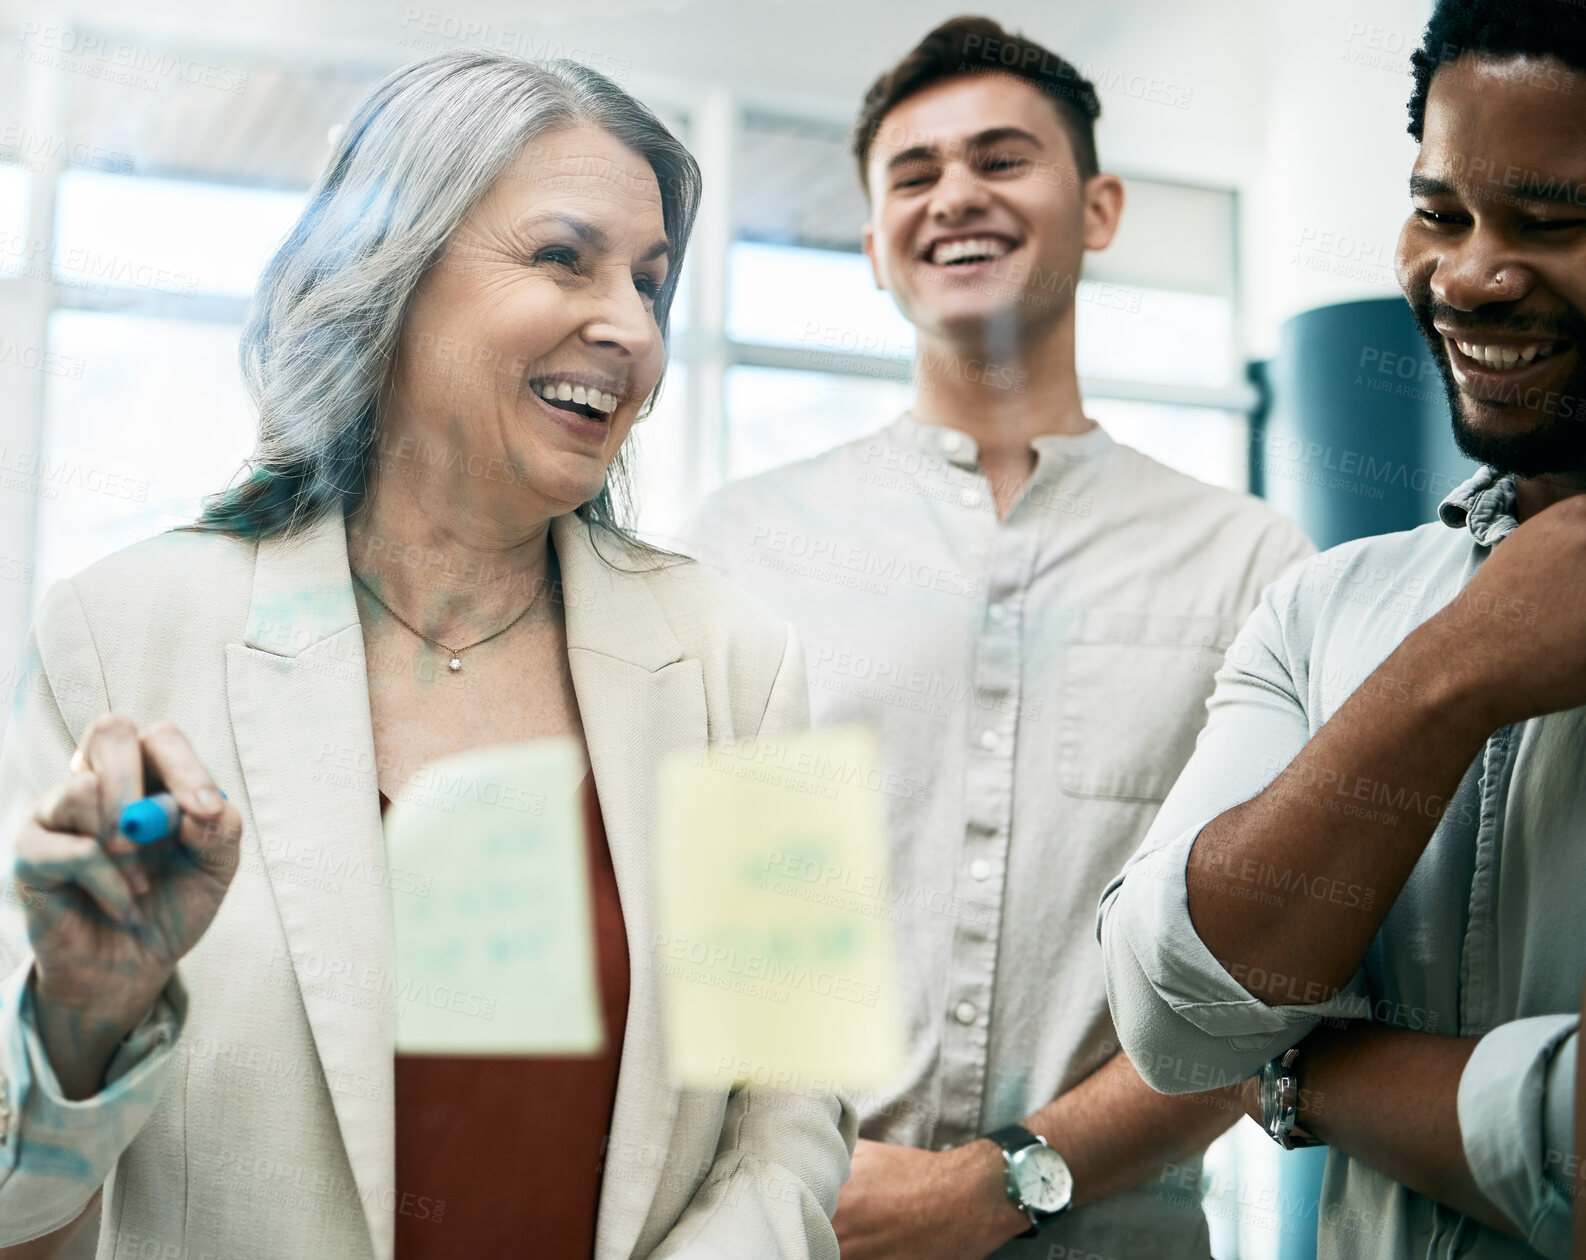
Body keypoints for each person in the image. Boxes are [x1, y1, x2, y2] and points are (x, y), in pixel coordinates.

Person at [0, 51, 854, 1260]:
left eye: (650, 283)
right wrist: (82, 1022)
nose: (629, 326)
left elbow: (794, 1117)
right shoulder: (120, 634)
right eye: (563, 257)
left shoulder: (740, 665)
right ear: (386, 277)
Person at [685, 17, 1313, 1259]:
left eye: (1000, 159)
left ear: (1100, 207)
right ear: (872, 242)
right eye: (911, 175)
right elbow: (699, 935)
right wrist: (801, 1176)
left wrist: (1011, 1179)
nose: (953, 195)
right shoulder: (743, 542)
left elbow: (1280, 974)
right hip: (797, 1232)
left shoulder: (1253, 567)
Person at [1099, 2, 1586, 1256]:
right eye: (1440, 212)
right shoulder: (1331, 603)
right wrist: (1451, 673)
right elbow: (1173, 1015)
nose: (1470, 275)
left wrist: (1304, 1073)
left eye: (1554, 224)